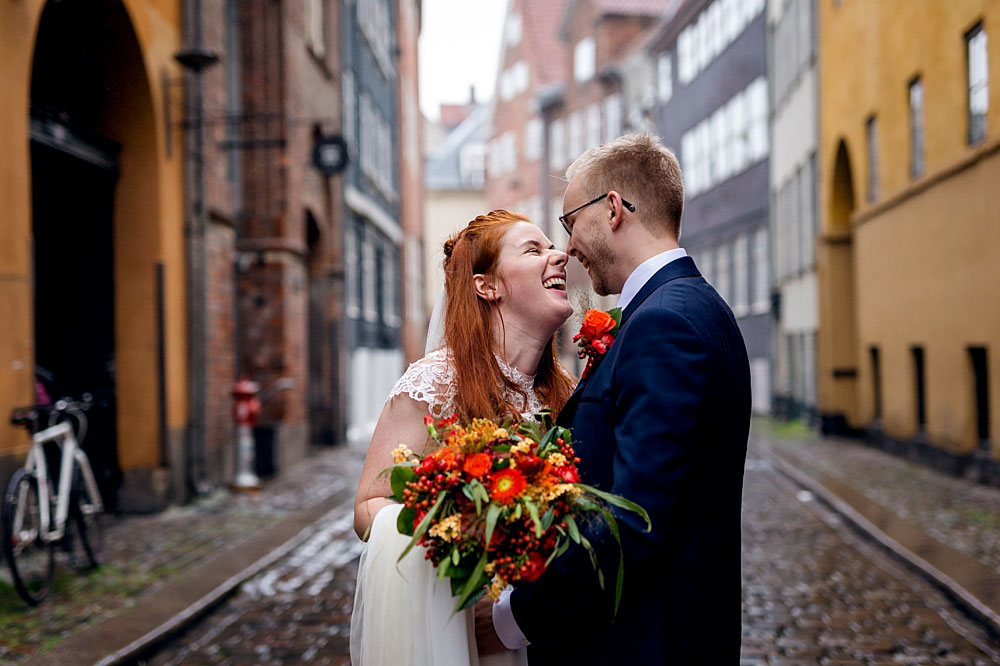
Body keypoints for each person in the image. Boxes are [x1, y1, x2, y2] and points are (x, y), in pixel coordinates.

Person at [477, 133, 752, 664]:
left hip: (641, 643)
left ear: (612, 209)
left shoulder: (663, 324)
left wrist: (514, 619)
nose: (569, 248)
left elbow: (635, 520)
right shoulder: (695, 308)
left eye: (569, 223)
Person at [350, 210, 577, 666]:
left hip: (547, 628)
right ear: (486, 286)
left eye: (553, 246)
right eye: (534, 249)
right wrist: (458, 527)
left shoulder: (567, 391)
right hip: (466, 628)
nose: (561, 256)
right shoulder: (436, 383)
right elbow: (367, 508)